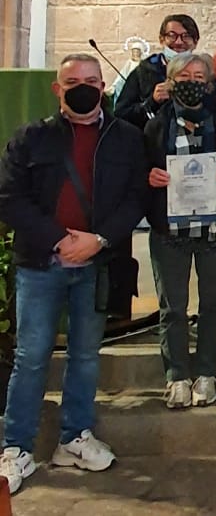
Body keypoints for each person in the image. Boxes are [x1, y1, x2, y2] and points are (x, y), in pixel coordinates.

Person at [0, 54, 145, 496]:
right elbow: (9, 197)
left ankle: (74, 437)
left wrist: (99, 239)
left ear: (103, 87)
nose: (83, 88)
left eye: (91, 81)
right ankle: (16, 447)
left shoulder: (126, 138)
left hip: (96, 264)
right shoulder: (32, 137)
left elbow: (136, 197)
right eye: (73, 81)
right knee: (31, 356)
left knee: (85, 355)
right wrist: (59, 239)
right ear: (57, 89)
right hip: (41, 263)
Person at [145, 50, 216, 409]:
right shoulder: (155, 125)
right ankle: (177, 376)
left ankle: (206, 372)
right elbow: (139, 170)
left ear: (211, 84)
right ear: (170, 83)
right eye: (183, 78)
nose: (191, 84)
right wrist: (149, 178)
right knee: (173, 308)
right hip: (170, 232)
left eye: (199, 78)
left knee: (214, 305)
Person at [114, 13, 201, 127]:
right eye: (172, 35)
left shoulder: (204, 73)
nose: (179, 42)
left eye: (186, 36)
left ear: (195, 42)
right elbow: (121, 114)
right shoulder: (143, 71)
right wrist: (152, 101)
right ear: (161, 40)